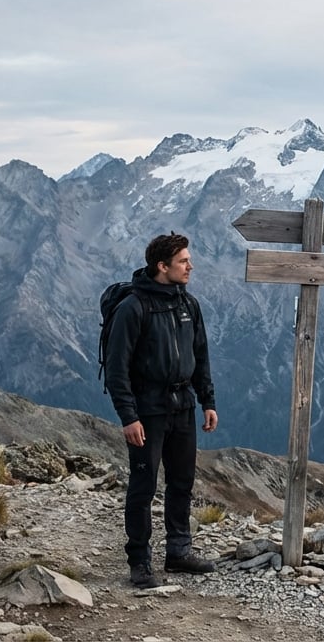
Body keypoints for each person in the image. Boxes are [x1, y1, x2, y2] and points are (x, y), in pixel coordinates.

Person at [104, 232, 219, 588]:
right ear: (162, 266)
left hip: (182, 405)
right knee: (143, 485)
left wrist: (208, 401)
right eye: (184, 261)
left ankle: (178, 552)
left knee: (182, 482)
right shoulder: (133, 307)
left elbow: (200, 355)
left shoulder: (189, 304)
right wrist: (129, 416)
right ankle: (139, 561)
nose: (190, 266)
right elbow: (116, 368)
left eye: (188, 260)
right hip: (148, 410)